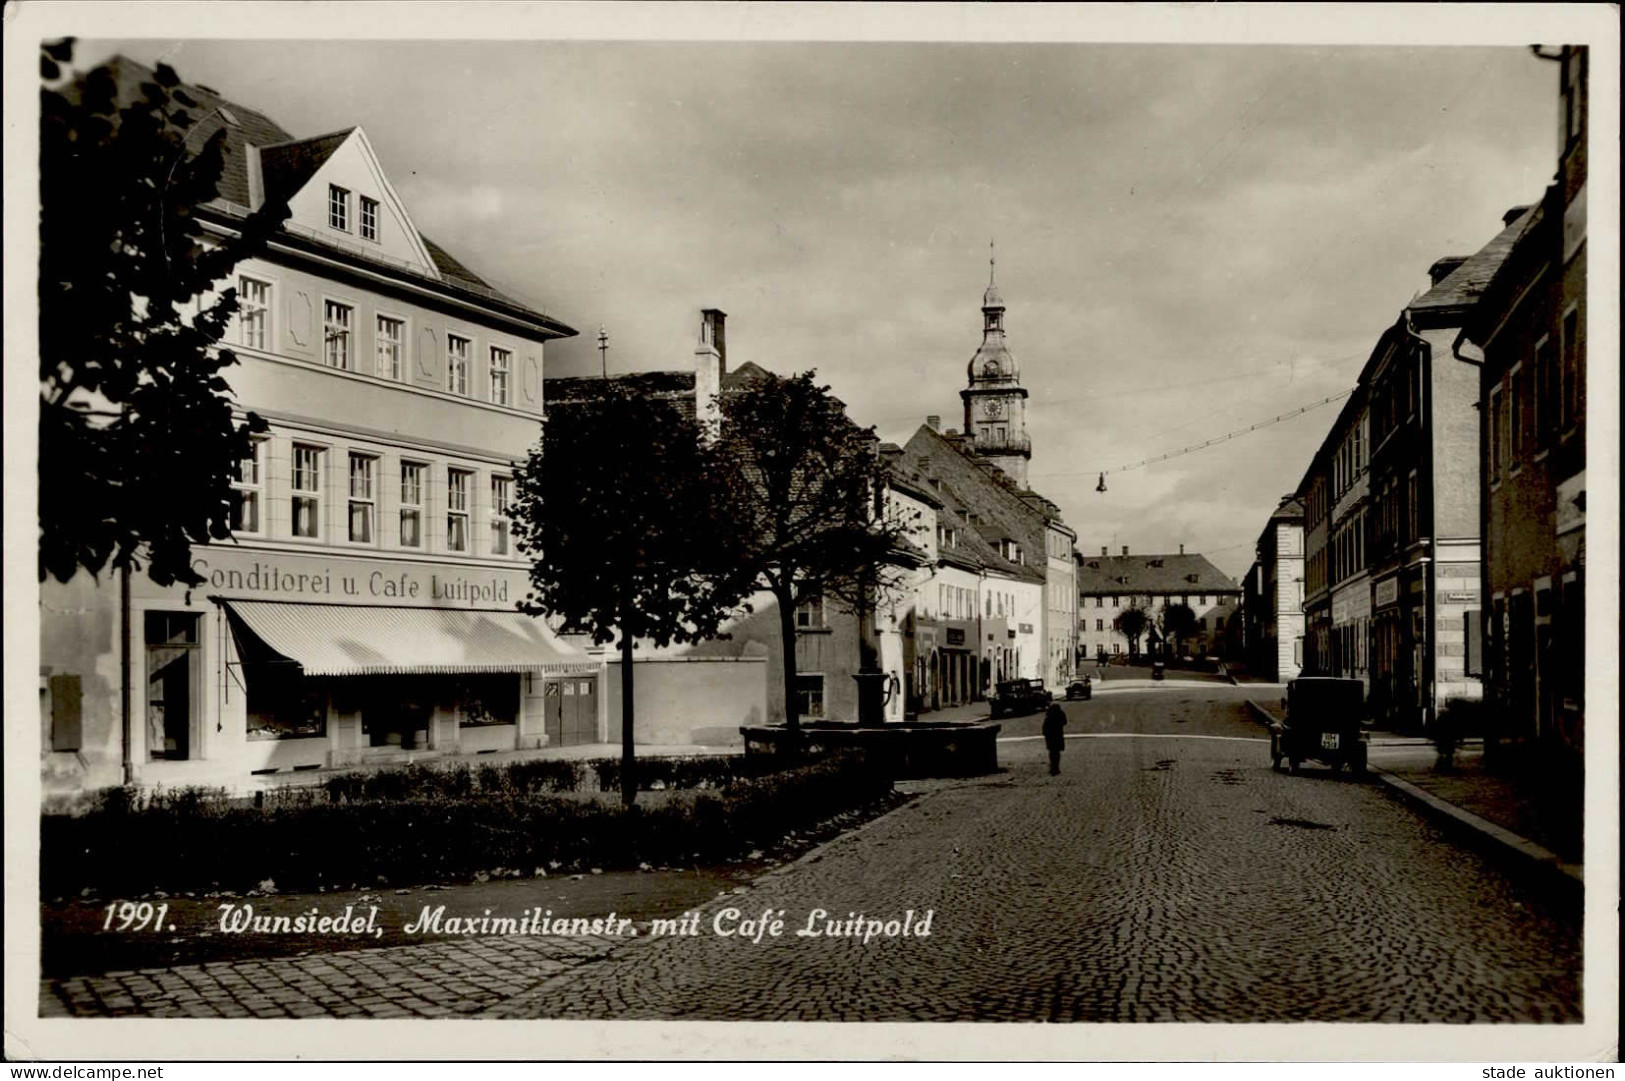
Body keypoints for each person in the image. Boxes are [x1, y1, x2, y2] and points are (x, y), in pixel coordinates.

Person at [1042, 702, 1067, 775]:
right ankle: (1056, 767)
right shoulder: (1060, 714)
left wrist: (1045, 734)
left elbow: (1044, 728)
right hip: (1058, 735)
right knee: (1057, 753)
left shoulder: (1048, 716)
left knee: (1052, 752)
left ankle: (1053, 767)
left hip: (1050, 737)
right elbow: (1065, 722)